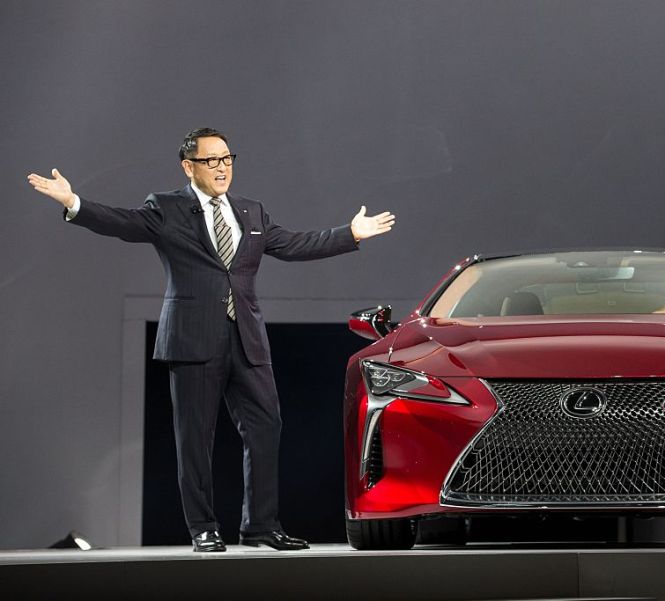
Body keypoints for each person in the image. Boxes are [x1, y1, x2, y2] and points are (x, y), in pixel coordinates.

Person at [27, 128, 395, 552]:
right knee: (195, 439)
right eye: (211, 161)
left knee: (266, 427)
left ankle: (260, 526)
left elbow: (294, 244)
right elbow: (122, 223)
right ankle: (203, 528)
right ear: (189, 167)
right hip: (192, 338)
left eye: (227, 159)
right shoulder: (166, 208)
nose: (222, 168)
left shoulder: (251, 212)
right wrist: (73, 203)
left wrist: (349, 233)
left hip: (247, 339)